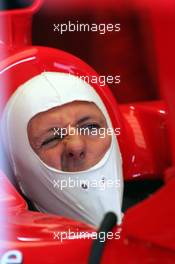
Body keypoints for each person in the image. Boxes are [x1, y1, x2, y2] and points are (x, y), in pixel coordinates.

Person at [1, 71, 123, 227]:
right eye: (52, 139)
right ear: (22, 167)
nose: (76, 146)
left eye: (90, 127)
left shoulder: (156, 218)